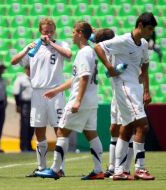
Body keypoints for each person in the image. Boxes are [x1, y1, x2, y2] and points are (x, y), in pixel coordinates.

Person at [35, 21, 104, 180]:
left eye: (74, 32)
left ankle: (55, 169)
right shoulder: (90, 51)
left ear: (80, 33)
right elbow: (76, 79)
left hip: (80, 100)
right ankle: (98, 170)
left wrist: (78, 100)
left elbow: (85, 77)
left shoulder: (84, 52)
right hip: (92, 100)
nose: (72, 35)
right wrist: (57, 90)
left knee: (62, 131)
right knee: (91, 134)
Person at [94, 12, 157, 180]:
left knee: (127, 128)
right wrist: (109, 66)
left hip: (135, 88)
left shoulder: (143, 43)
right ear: (140, 25)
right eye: (150, 28)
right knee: (143, 126)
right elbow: (98, 47)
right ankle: (139, 168)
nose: (151, 32)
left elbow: (145, 65)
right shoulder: (122, 40)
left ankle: (119, 171)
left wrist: (146, 90)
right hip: (124, 87)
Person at [11, 17, 72, 177]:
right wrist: (26, 49)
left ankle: (59, 167)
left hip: (55, 92)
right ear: (40, 31)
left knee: (59, 129)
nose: (48, 34)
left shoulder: (60, 44)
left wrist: (51, 43)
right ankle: (41, 167)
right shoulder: (34, 47)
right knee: (39, 130)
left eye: (51, 32)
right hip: (37, 93)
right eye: (46, 32)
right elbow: (13, 61)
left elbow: (69, 55)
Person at [93, 28, 134, 178]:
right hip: (116, 96)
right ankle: (112, 167)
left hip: (125, 92)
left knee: (127, 131)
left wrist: (114, 69)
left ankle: (125, 168)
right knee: (113, 130)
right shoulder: (108, 48)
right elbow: (95, 40)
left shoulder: (120, 49)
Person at [13, 65, 34, 152]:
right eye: (28, 68)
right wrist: (18, 105)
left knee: (32, 126)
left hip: (33, 104)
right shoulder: (21, 79)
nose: (29, 70)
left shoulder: (34, 79)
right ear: (25, 69)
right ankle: (23, 146)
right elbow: (16, 93)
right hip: (25, 104)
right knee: (24, 125)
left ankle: (29, 145)